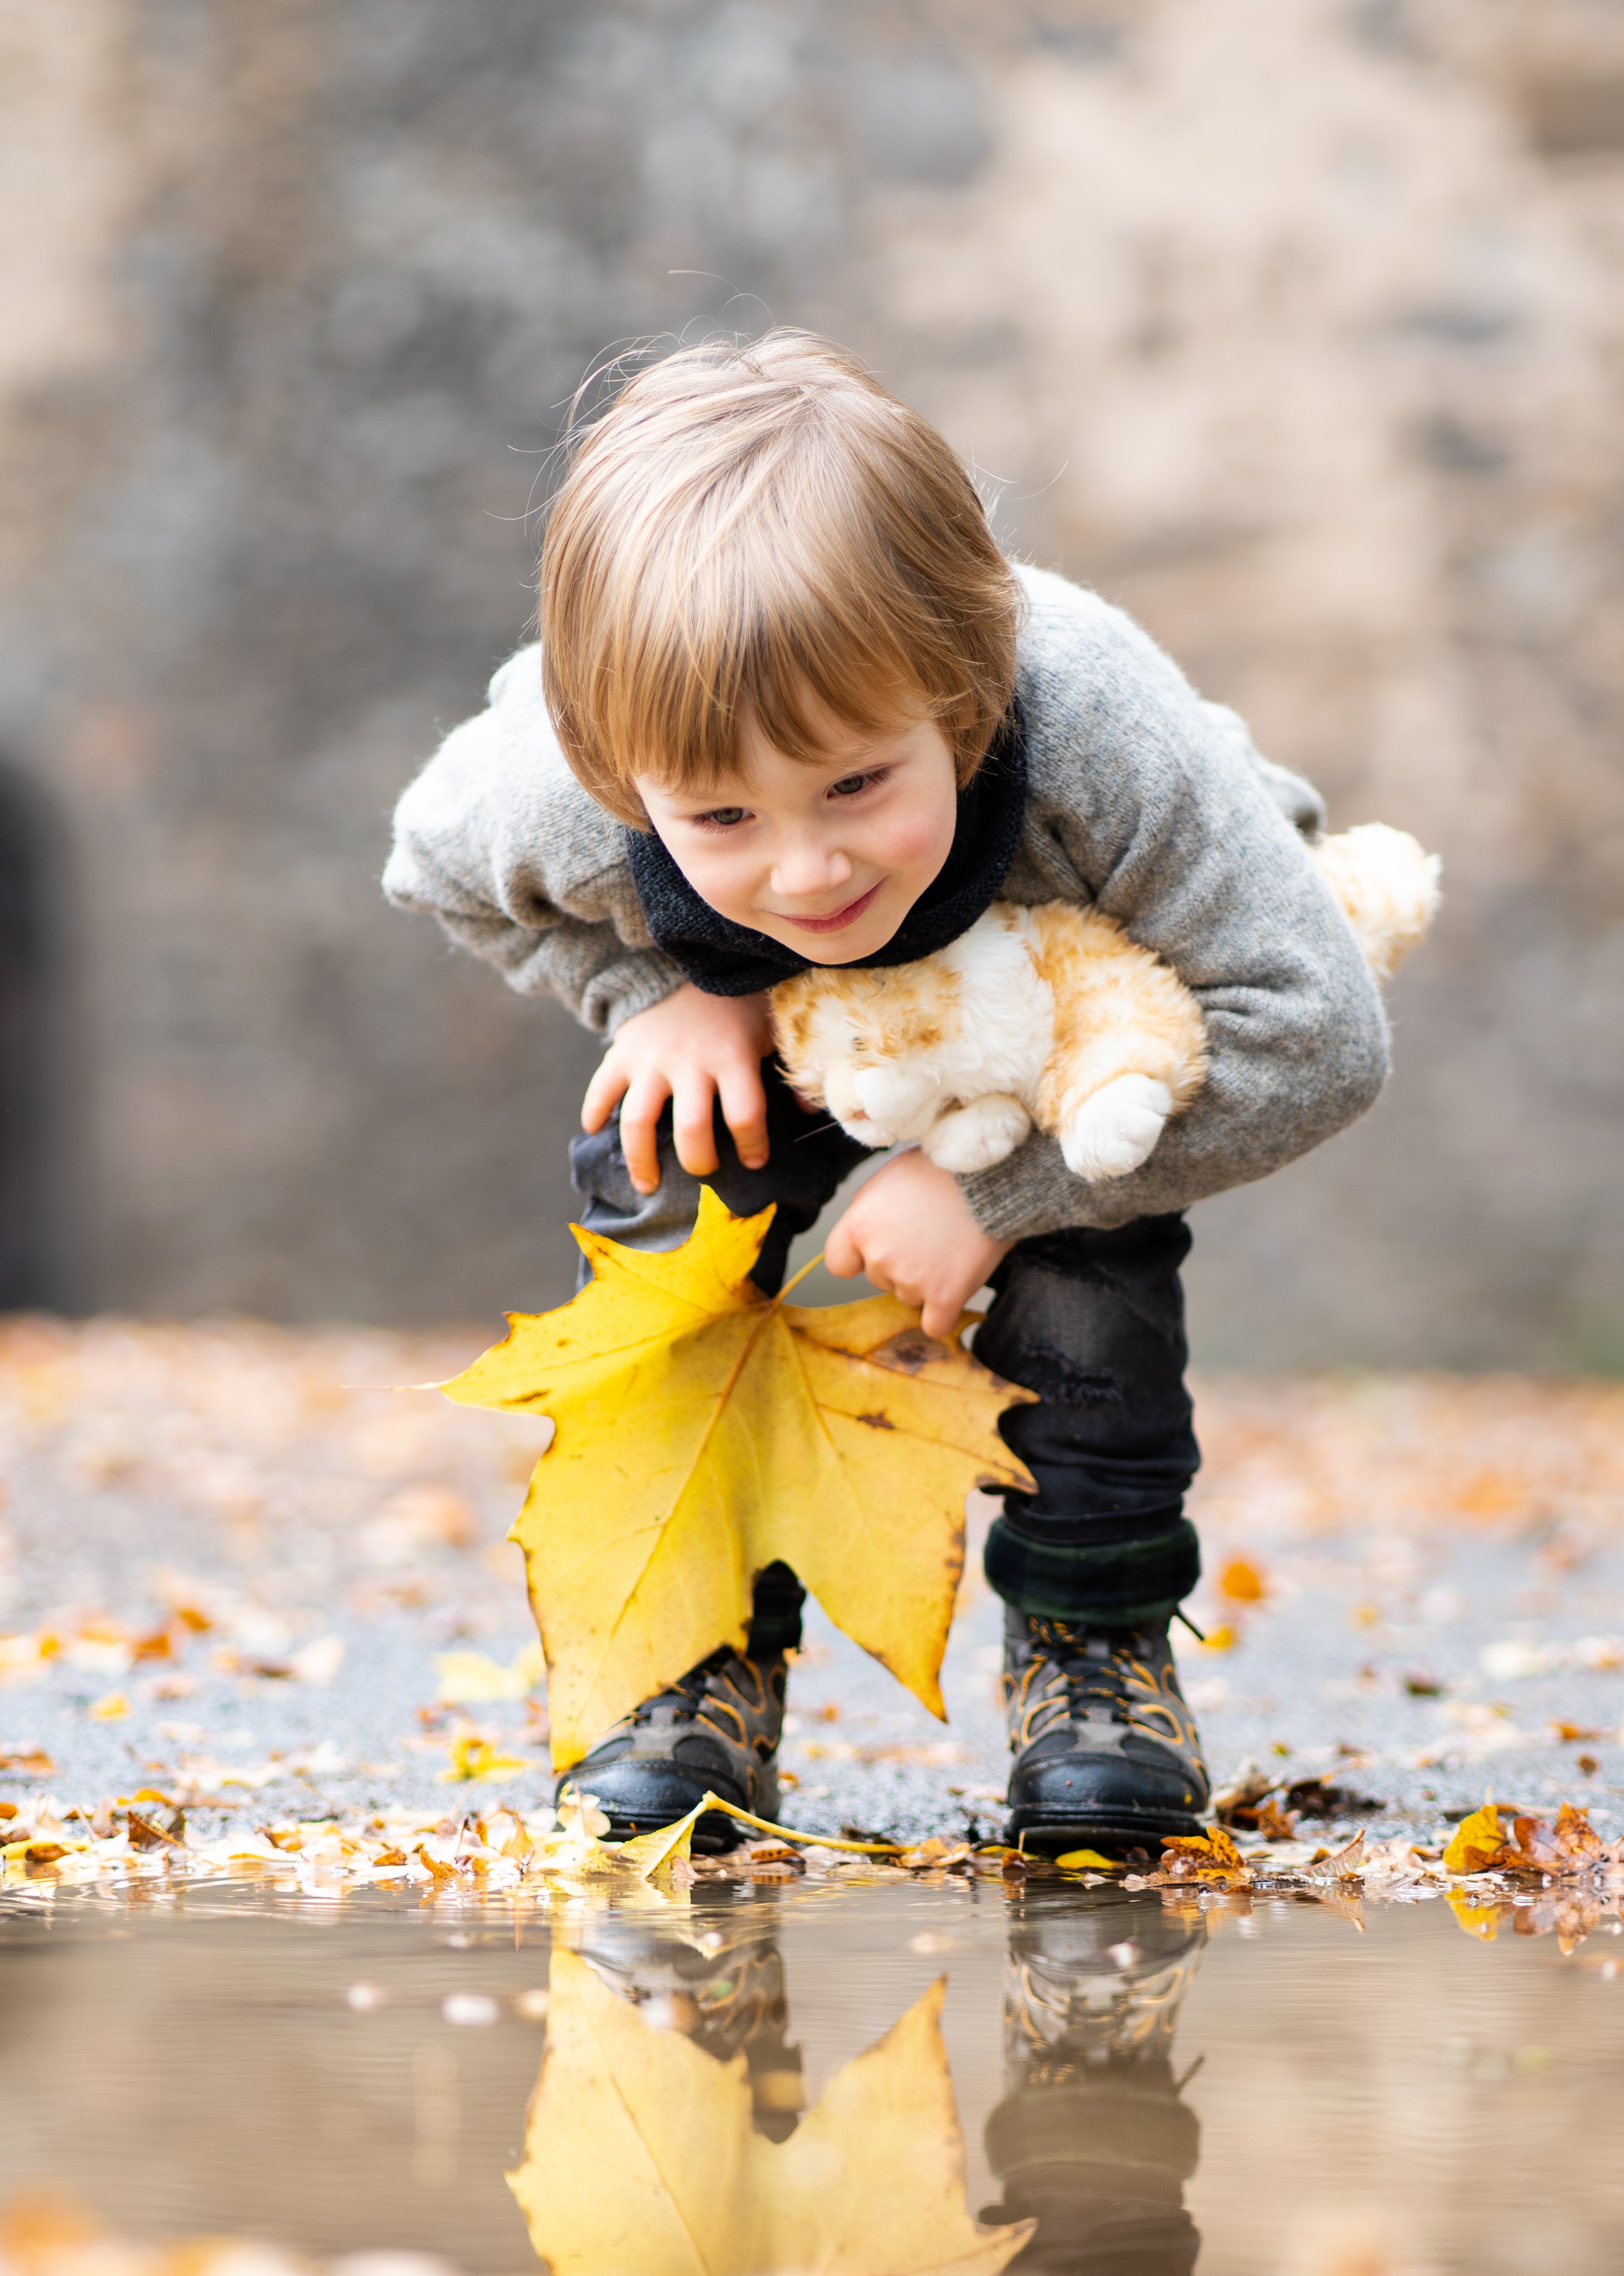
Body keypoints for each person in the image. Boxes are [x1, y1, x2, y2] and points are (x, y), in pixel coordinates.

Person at [381, 330, 1387, 1854]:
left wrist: (993, 1193)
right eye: (722, 817)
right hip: (791, 1026)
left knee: (1091, 1259)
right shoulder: (548, 793)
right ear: (614, 776)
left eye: (858, 784)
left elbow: (1321, 1036)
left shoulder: (1091, 732)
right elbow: (431, 866)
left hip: (1061, 1001)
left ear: (963, 703)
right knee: (662, 1160)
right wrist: (661, 998)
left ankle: (1093, 1648)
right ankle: (686, 1646)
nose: (808, 869)